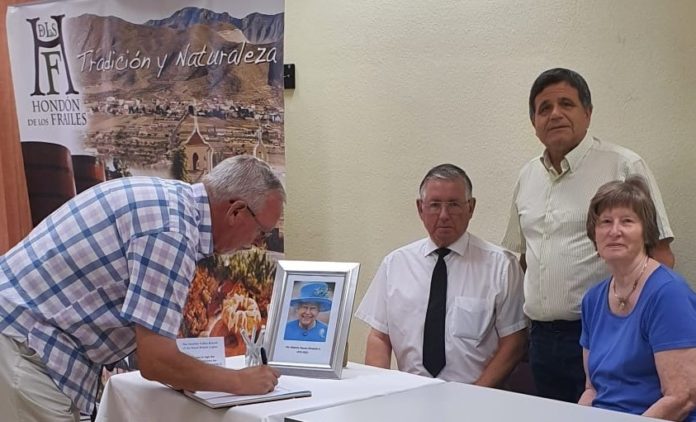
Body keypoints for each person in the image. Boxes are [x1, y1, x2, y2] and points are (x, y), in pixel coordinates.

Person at [0, 155, 284, 421]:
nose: (256, 243)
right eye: (261, 232)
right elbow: (156, 361)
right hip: (25, 346)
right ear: (236, 211)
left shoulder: (169, 203)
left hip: (19, 334)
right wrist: (239, 381)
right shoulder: (172, 234)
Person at [502, 67, 675, 402]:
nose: (555, 114)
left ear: (588, 112)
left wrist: (632, 326)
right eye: (544, 108)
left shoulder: (622, 165)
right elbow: (525, 257)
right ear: (534, 122)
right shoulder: (527, 176)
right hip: (541, 340)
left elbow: (661, 257)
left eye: (566, 103)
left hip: (604, 333)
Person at [356, 164, 527, 387]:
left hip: (475, 396)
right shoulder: (395, 264)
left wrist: (477, 393)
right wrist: (378, 388)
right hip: (408, 394)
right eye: (435, 205)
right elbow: (379, 336)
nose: (444, 215)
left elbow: (514, 342)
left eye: (454, 205)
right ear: (420, 208)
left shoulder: (502, 265)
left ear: (471, 208)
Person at [580, 176, 696, 421]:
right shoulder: (592, 300)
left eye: (627, 221)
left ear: (646, 232)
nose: (614, 231)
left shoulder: (668, 294)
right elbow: (592, 390)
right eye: (605, 222)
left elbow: (682, 398)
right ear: (594, 234)